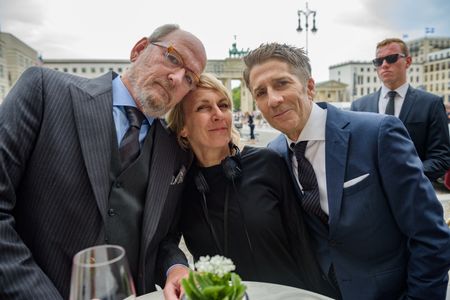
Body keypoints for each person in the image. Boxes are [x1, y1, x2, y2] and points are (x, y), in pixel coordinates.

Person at [0, 24, 206, 299]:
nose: (177, 78)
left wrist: (176, 268)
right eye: (173, 58)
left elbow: (163, 239)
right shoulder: (44, 91)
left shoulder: (176, 153)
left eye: (190, 79)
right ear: (139, 50)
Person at [243, 42, 450, 300]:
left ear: (309, 87)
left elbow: (430, 234)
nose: (273, 99)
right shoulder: (274, 154)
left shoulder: (378, 134)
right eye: (261, 92)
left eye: (282, 83)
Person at [164, 73, 335, 299]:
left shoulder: (268, 163)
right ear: (183, 128)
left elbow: (302, 242)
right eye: (203, 108)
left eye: (223, 105)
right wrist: (177, 267)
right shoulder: (179, 184)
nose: (218, 114)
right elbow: (163, 242)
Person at [351, 38, 450, 182]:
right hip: (371, 198)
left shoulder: (431, 104)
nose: (384, 65)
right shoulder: (359, 106)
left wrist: (408, 176)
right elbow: (354, 154)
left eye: (391, 58)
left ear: (408, 62)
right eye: (378, 61)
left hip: (415, 195)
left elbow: (441, 156)